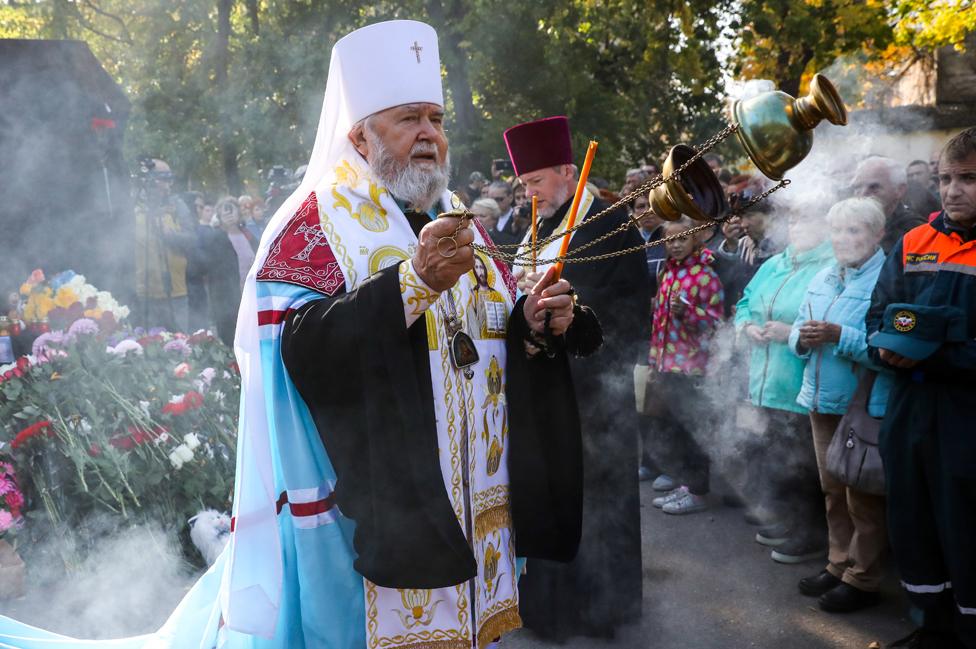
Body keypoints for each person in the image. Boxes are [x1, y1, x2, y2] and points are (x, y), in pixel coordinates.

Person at [0, 20, 590, 649]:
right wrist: (412, 283)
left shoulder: (450, 215)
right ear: (361, 135)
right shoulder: (314, 223)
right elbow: (299, 351)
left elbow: (486, 334)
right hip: (376, 512)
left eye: (437, 120)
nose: (430, 136)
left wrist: (531, 324)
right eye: (409, 119)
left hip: (472, 500)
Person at [504, 115, 650, 641]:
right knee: (552, 493)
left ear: (568, 171)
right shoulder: (539, 225)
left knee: (600, 498)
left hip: (594, 392)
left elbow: (633, 308)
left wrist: (572, 315)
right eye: (523, 186)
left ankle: (603, 609)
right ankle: (550, 607)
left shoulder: (610, 222)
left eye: (536, 182)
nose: (529, 194)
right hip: (546, 388)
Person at [867, 127, 976, 649]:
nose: (954, 190)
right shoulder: (915, 240)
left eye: (970, 179)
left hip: (966, 415)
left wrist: (939, 347)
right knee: (913, 517)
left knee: (965, 525)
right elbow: (877, 314)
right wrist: (881, 347)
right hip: (909, 408)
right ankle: (931, 626)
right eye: (946, 178)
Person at [787, 197, 892, 613]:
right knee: (832, 490)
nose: (842, 239)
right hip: (821, 400)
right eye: (837, 230)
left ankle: (863, 578)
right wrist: (802, 339)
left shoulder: (887, 279)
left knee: (862, 495)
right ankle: (837, 563)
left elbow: (885, 349)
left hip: (862, 405)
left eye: (854, 231)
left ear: (877, 235)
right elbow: (799, 325)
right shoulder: (827, 273)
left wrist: (837, 335)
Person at [733, 209, 835, 563]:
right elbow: (745, 302)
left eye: (808, 219)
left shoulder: (831, 265)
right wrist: (747, 328)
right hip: (763, 378)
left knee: (804, 463)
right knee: (776, 456)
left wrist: (788, 333)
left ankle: (812, 533)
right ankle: (791, 521)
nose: (799, 226)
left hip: (798, 380)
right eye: (794, 220)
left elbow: (830, 321)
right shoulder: (773, 263)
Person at [647, 216, 724, 514]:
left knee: (693, 429)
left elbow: (717, 323)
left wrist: (689, 312)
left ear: (697, 239)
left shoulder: (705, 276)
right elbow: (659, 325)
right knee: (675, 427)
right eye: (670, 240)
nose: (675, 245)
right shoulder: (667, 273)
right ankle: (686, 486)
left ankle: (699, 491)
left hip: (693, 367)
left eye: (682, 238)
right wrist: (655, 361)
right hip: (667, 364)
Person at [133, 157, 195, 333]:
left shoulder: (177, 205)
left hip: (176, 292)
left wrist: (171, 236)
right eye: (164, 179)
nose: (169, 185)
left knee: (181, 341)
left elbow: (192, 240)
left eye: (170, 180)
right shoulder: (135, 206)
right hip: (144, 293)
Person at [850, 156, 927, 253]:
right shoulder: (848, 226)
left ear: (899, 190)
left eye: (874, 187)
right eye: (857, 188)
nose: (863, 194)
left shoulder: (915, 232)